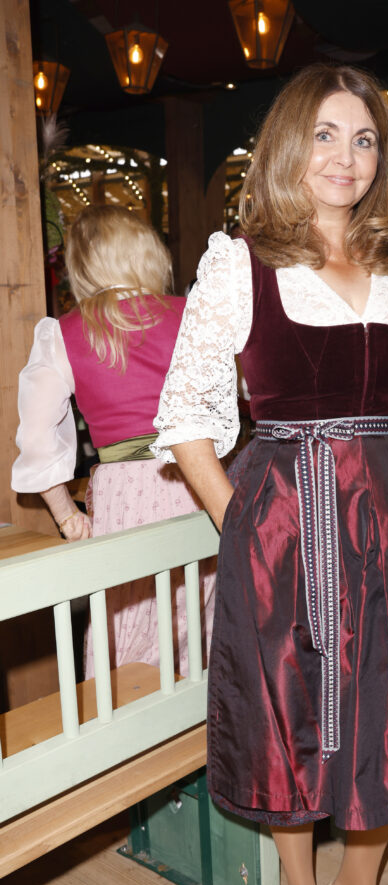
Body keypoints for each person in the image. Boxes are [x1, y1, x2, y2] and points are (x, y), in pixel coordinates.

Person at [153, 64, 388, 885]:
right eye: (326, 134)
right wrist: (245, 526)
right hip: (291, 524)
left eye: (364, 139)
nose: (346, 157)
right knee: (292, 714)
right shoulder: (240, 261)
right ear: (290, 144)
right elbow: (185, 417)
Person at [12, 206, 216, 677]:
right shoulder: (193, 315)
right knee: (202, 616)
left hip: (125, 496)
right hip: (200, 480)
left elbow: (37, 435)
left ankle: (129, 717)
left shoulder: (63, 334)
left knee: (126, 623)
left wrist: (66, 515)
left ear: (82, 265)